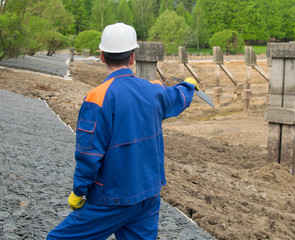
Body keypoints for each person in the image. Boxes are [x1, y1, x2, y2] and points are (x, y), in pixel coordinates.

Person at [47, 23, 198, 240]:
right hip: (148, 194)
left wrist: (78, 191)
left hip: (112, 197)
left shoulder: (97, 97)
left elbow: (89, 155)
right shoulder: (153, 91)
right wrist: (190, 87)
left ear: (101, 56)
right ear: (132, 58)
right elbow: (177, 97)